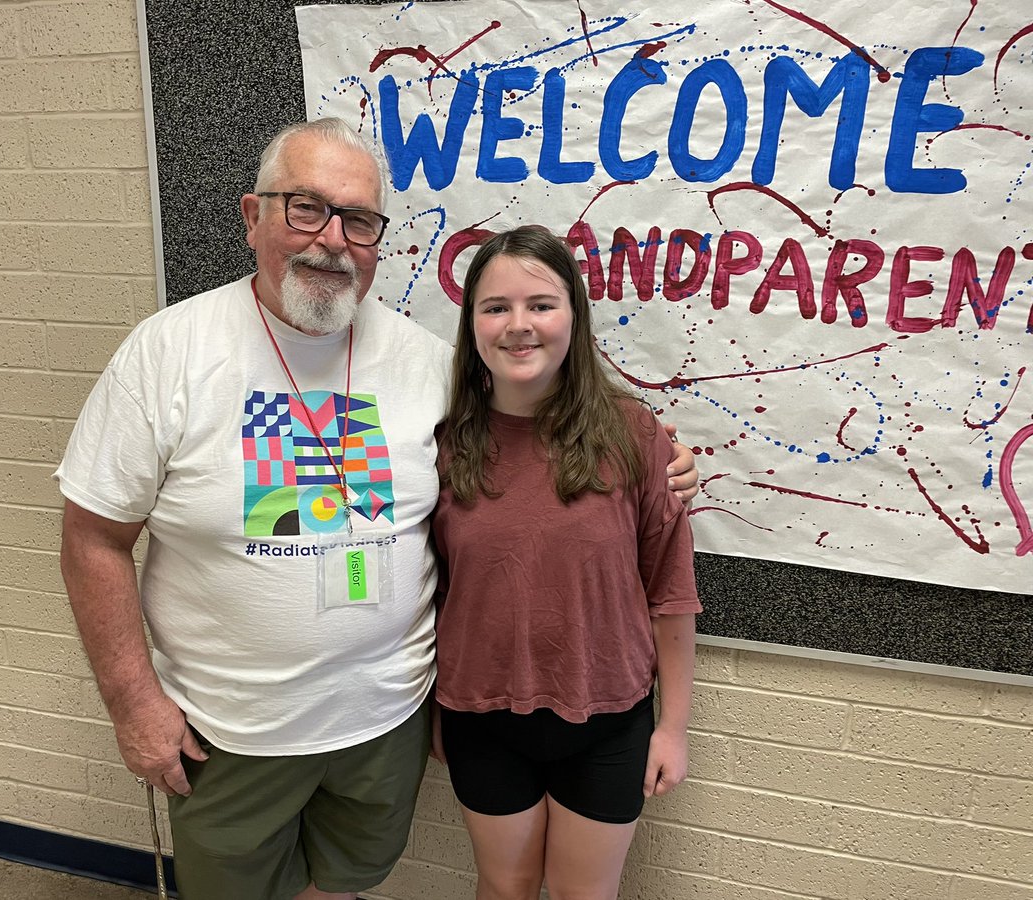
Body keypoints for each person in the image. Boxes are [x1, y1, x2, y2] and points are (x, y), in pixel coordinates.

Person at [55, 118, 699, 900]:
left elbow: (529, 474)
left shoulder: (429, 367)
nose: (332, 239)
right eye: (305, 208)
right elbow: (93, 537)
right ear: (252, 216)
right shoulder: (168, 354)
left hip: (385, 723)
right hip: (232, 733)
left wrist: (661, 463)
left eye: (357, 219)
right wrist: (135, 706)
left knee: (347, 885)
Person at [432, 226, 702, 900]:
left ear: (573, 316)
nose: (519, 325)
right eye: (495, 307)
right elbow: (422, 588)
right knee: (505, 887)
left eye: (541, 304)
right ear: (472, 323)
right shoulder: (439, 444)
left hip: (607, 720)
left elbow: (669, 590)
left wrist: (672, 726)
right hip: (481, 720)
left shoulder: (633, 433)